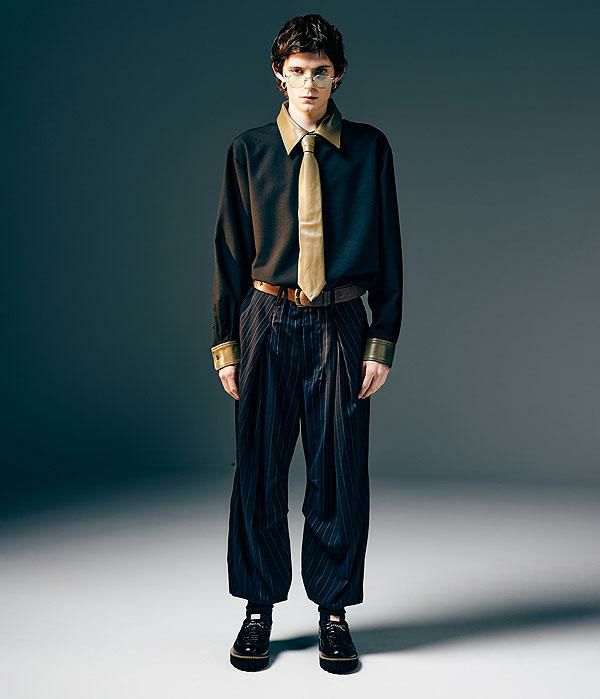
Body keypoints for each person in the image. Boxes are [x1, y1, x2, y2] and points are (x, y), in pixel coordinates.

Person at [210, 14, 403, 674]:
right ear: (279, 75)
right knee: (258, 468)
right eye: (297, 71)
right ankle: (258, 607)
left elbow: (390, 247)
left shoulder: (370, 150)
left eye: (321, 71)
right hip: (267, 317)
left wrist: (381, 337)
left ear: (338, 75)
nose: (309, 83)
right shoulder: (249, 151)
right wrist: (226, 343)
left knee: (339, 471)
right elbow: (228, 252)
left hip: (341, 321)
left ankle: (334, 611)